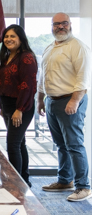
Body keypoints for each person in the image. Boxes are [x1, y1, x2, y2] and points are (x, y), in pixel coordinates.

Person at [37, 12, 91, 201]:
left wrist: (75, 101)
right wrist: (41, 99)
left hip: (70, 100)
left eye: (64, 23)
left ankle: (83, 186)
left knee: (74, 144)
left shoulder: (77, 47)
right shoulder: (50, 47)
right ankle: (64, 180)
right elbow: (43, 76)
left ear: (70, 25)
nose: (61, 27)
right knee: (61, 144)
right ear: (51, 26)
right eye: (56, 24)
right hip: (52, 101)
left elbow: (83, 77)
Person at [0, 25, 37, 187]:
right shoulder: (6, 57)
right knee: (19, 143)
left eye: (13, 36)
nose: (9, 39)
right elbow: (4, 84)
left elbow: (27, 85)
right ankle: (24, 180)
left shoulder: (26, 57)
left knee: (12, 144)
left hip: (20, 106)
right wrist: (2, 106)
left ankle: (15, 184)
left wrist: (19, 109)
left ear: (21, 38)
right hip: (7, 105)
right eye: (6, 36)